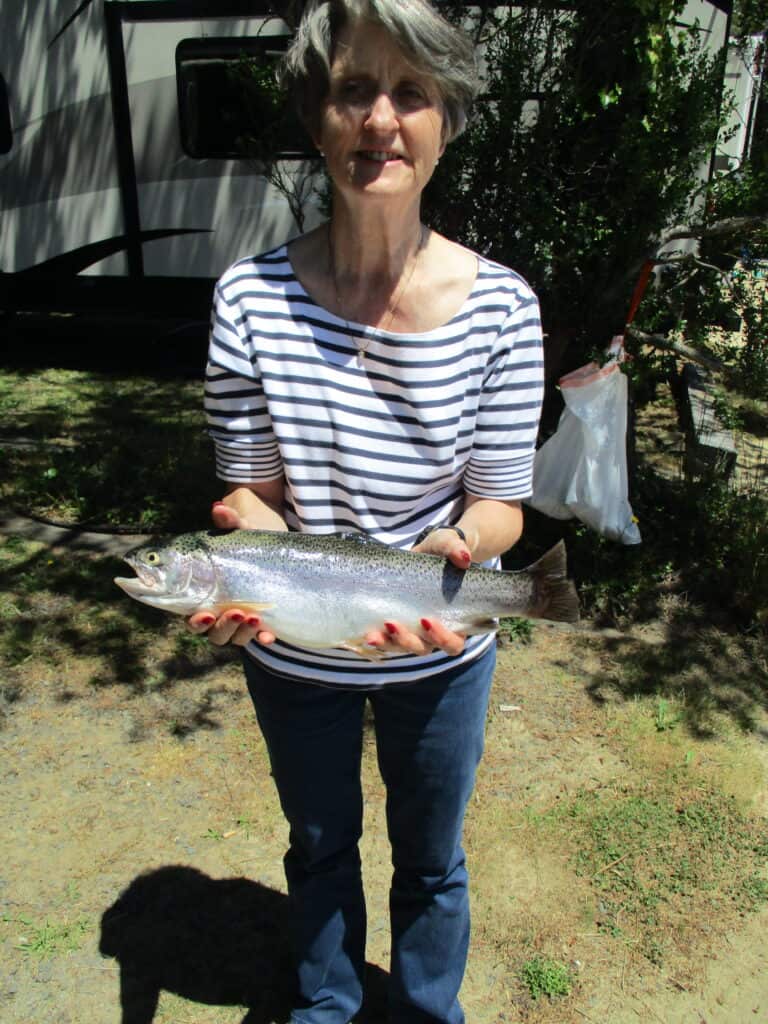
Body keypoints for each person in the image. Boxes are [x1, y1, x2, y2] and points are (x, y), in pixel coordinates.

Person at [189, 1, 544, 1021]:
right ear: (317, 118)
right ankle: (329, 1006)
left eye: (411, 93)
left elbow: (501, 508)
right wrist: (235, 576)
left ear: (446, 123)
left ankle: (429, 1010)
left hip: (439, 642)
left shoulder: (503, 308)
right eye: (353, 89)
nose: (380, 119)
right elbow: (251, 492)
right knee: (318, 842)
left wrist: (463, 544)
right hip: (296, 648)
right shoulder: (250, 301)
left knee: (432, 859)